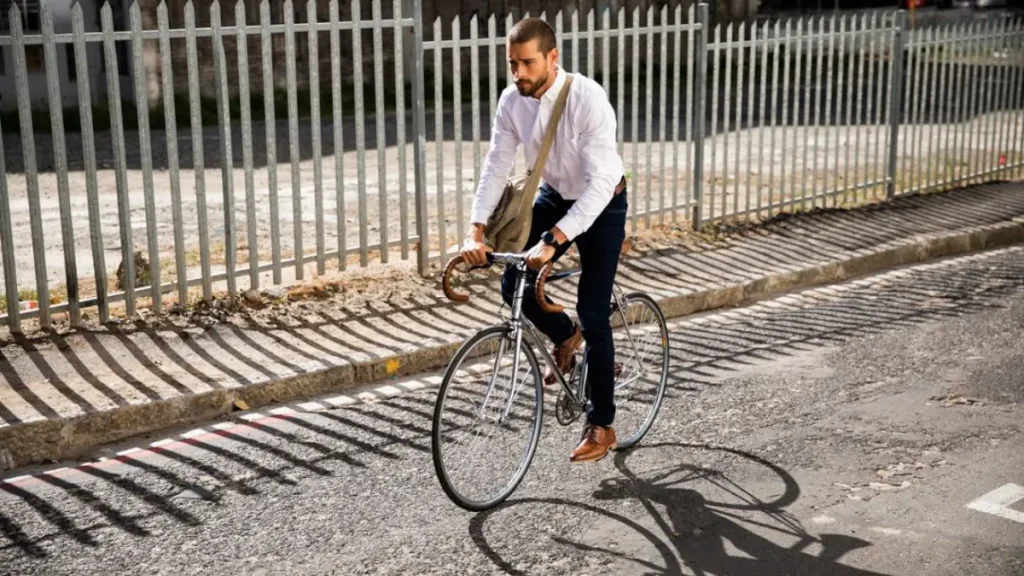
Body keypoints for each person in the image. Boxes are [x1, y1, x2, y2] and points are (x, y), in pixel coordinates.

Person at [459, 17, 627, 463]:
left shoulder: (588, 99)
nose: (519, 74)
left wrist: (554, 240)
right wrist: (476, 228)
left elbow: (602, 179)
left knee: (594, 311)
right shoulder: (513, 100)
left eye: (528, 62)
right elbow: (497, 163)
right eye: (512, 64)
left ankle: (603, 424)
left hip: (602, 203)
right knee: (515, 283)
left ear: (553, 57)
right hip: (555, 196)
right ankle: (564, 334)